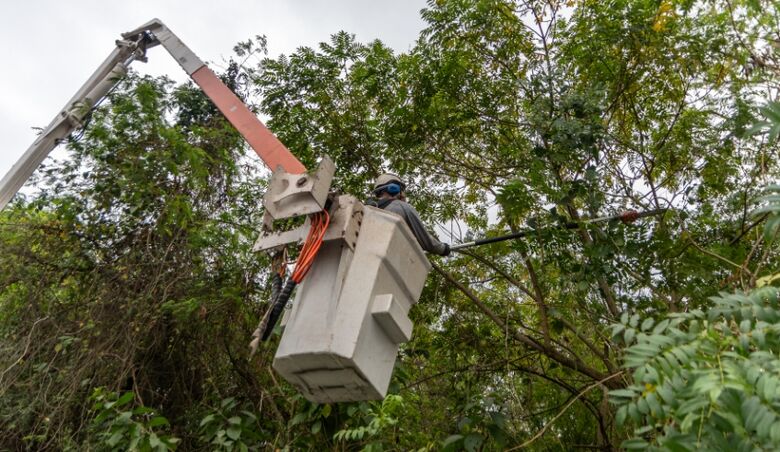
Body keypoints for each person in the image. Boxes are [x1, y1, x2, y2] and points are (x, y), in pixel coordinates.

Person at [368, 173, 451, 256]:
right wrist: (443, 249)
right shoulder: (403, 207)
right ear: (394, 188)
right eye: (402, 190)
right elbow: (425, 240)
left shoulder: (368, 211)